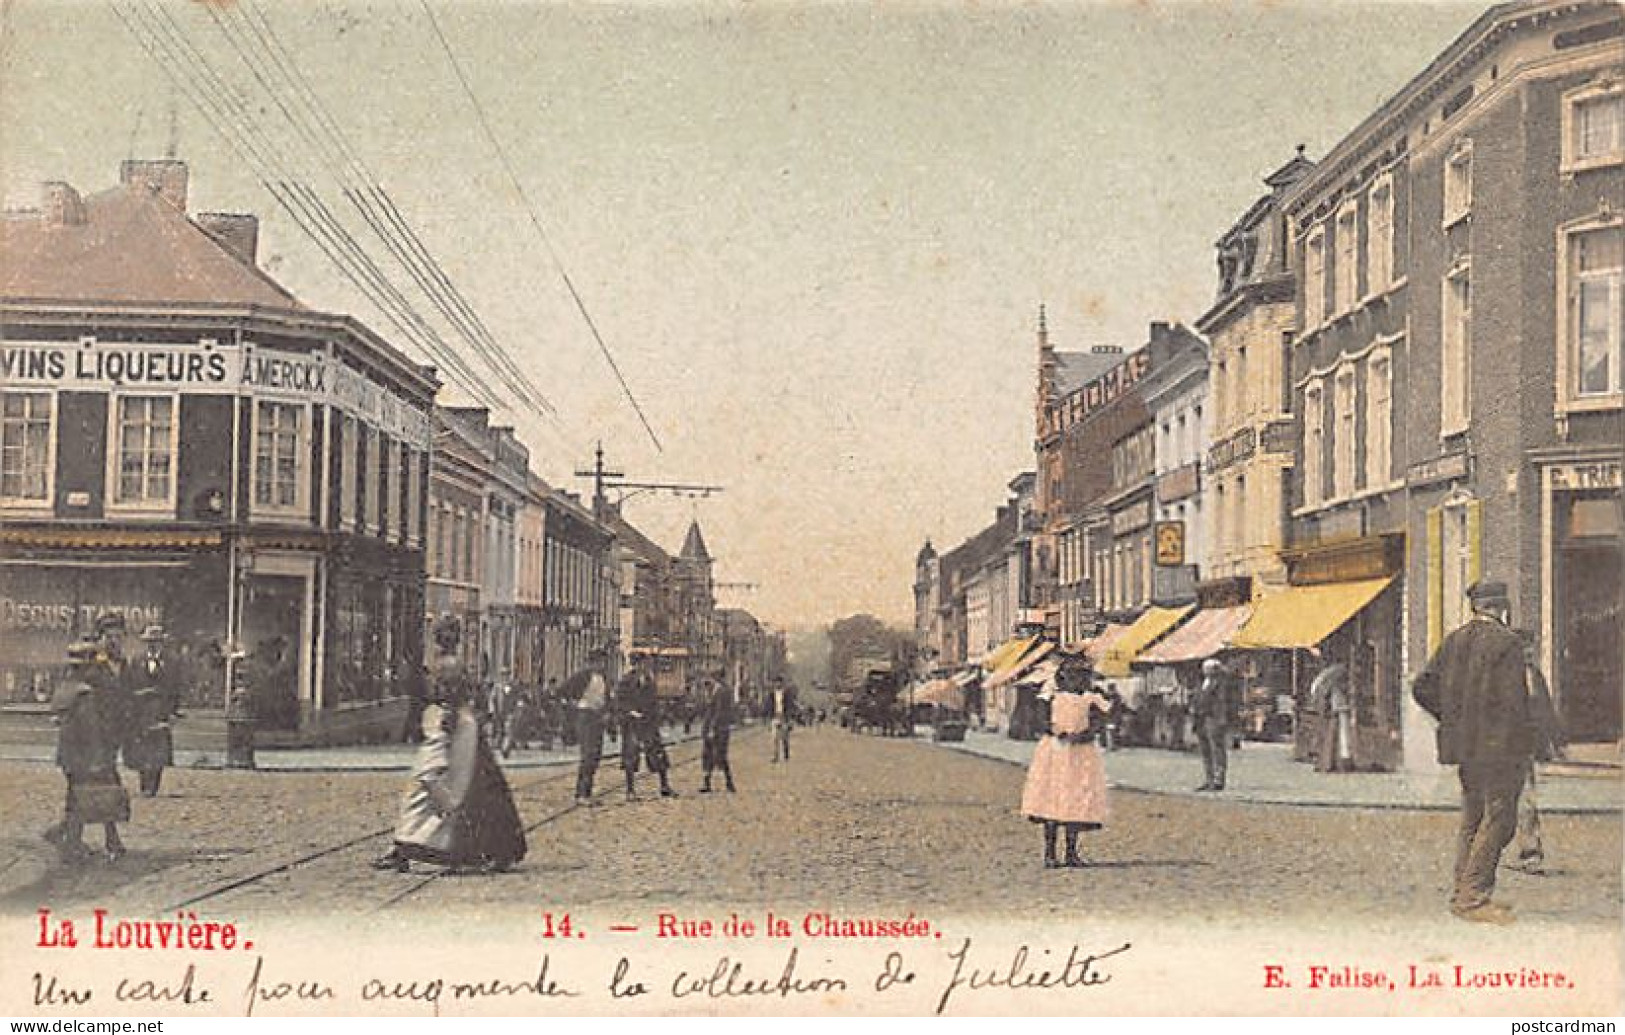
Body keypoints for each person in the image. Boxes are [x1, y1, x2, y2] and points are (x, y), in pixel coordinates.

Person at [1412, 580, 1537, 925]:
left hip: (1464, 747)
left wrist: (1452, 717)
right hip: (1500, 749)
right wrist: (1526, 745)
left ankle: (1462, 892)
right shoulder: (1507, 642)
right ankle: (1473, 898)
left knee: (1472, 817)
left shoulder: (1454, 640)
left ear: (1475, 607)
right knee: (1499, 819)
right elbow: (1515, 704)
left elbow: (1422, 686)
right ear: (1502, 607)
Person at [374, 618, 526, 873]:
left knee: (433, 786)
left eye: (439, 636)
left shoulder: (448, 665)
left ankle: (418, 848)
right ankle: (411, 847)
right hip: (456, 728)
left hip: (451, 730)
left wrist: (446, 728)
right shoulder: (450, 663)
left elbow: (452, 700)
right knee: (460, 788)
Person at [1020, 653, 1111, 868]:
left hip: (1081, 754)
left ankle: (1071, 852)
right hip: (1055, 753)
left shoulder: (1091, 699)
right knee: (1052, 798)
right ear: (1063, 676)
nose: (1077, 680)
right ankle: (1050, 853)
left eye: (1081, 676)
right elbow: (1038, 719)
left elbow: (1101, 721)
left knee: (1076, 801)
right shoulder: (1051, 696)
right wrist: (1054, 730)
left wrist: (1087, 733)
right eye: (1072, 675)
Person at [44, 642, 130, 864]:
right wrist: (98, 757)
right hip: (88, 755)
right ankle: (92, 842)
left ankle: (76, 839)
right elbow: (90, 728)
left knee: (77, 796)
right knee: (98, 794)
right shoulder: (86, 694)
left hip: (68, 756)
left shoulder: (66, 688)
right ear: (88, 666)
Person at [1509, 632, 1564, 875]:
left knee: (1526, 802)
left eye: (1531, 650)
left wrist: (1555, 742)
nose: (1529, 655)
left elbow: (1546, 710)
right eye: (1524, 651)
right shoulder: (1504, 679)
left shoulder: (1536, 676)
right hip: (1502, 748)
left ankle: (1530, 854)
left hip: (1525, 749)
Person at [125, 625, 179, 796]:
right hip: (141, 711)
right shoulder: (136, 660)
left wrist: (173, 711)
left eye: (156, 642)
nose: (153, 645)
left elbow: (176, 688)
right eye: (149, 642)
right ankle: (144, 783)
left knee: (158, 749)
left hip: (161, 710)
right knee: (143, 748)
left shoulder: (171, 662)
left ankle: (154, 783)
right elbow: (130, 685)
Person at [617, 660, 676, 801]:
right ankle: (630, 791)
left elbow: (654, 702)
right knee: (631, 756)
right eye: (639, 665)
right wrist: (630, 711)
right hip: (632, 723)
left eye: (644, 665)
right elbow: (620, 701)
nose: (642, 668)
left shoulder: (649, 681)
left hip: (649, 723)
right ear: (634, 665)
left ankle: (664, 786)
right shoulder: (625, 681)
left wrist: (658, 717)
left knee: (658, 753)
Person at [568, 649, 611, 803]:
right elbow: (564, 691)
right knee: (587, 755)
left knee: (595, 756)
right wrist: (576, 707)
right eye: (600, 661)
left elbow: (606, 699)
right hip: (585, 716)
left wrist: (606, 713)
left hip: (598, 718)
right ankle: (581, 793)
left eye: (604, 661)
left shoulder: (604, 678)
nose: (603, 664)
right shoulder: (582, 676)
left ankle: (588, 792)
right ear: (592, 662)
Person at [1192, 658, 1236, 791]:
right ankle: (1208, 778)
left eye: (1208, 668)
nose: (1205, 670)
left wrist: (1221, 719)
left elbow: (1222, 703)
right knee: (1205, 750)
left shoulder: (1221, 684)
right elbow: (1198, 698)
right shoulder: (1202, 683)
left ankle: (1218, 779)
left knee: (1217, 749)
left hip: (1214, 719)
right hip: (1201, 719)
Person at [1309, 659, 1354, 773]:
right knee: (1336, 736)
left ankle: (1327, 762)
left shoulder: (1326, 679)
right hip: (1335, 710)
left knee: (1329, 737)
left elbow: (1316, 691)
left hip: (1330, 710)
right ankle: (1334, 762)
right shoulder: (1335, 679)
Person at [699, 674, 738, 794]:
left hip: (720, 730)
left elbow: (720, 712)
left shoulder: (722, 692)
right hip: (709, 729)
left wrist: (712, 728)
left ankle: (729, 782)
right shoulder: (709, 692)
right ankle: (707, 783)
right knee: (707, 756)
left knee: (720, 756)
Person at [766, 679, 797, 763]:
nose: (777, 684)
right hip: (775, 717)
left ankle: (786, 755)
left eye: (779, 682)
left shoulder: (786, 694)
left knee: (785, 737)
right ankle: (775, 756)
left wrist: (790, 719)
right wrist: (768, 718)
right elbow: (768, 707)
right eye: (776, 682)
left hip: (784, 717)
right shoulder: (771, 695)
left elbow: (790, 706)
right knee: (775, 738)